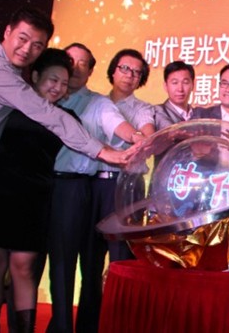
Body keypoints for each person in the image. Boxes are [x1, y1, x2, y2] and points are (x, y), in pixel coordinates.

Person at [0, 7, 127, 272]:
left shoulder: (1, 68)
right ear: (7, 32)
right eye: (22, 38)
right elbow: (46, 113)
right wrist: (102, 152)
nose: (27, 49)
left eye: (37, 45)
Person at [0, 49, 74, 333]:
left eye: (64, 83)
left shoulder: (66, 117)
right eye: (52, 80)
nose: (58, 87)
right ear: (34, 76)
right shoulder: (5, 104)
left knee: (24, 266)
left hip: (34, 198)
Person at [47, 43, 143, 333]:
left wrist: (136, 138)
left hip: (74, 187)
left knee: (71, 262)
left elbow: (118, 126)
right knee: (32, 261)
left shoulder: (99, 103)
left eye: (83, 63)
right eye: (70, 61)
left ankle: (69, 326)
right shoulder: (44, 97)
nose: (75, 67)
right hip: (38, 185)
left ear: (91, 71)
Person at [89, 49, 155, 266]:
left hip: (128, 185)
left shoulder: (143, 108)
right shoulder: (94, 102)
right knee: (90, 253)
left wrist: (141, 139)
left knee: (122, 255)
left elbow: (148, 136)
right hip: (93, 183)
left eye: (136, 72)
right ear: (113, 71)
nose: (129, 75)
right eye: (125, 68)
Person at [153, 60, 195, 130]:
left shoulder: (199, 114)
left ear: (193, 85)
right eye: (175, 83)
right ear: (165, 86)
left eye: (185, 82)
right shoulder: (156, 112)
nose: (180, 89)